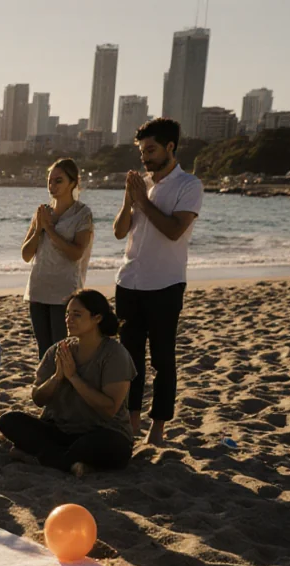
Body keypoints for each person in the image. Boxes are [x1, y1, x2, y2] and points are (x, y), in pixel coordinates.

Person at [111, 118, 203, 445]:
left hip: (165, 283)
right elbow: (121, 231)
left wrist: (144, 201)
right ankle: (132, 421)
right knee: (129, 358)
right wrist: (129, 199)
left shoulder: (189, 185)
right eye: (141, 151)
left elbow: (174, 230)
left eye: (150, 150)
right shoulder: (140, 185)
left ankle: (158, 427)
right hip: (129, 281)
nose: (145, 158)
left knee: (163, 358)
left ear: (170, 148)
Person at [0, 290, 136, 476]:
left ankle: (44, 458)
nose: (68, 319)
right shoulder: (58, 350)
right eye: (67, 314)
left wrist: (74, 378)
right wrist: (57, 377)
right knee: (8, 421)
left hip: (101, 432)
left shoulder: (114, 354)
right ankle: (70, 462)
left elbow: (109, 408)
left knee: (104, 446)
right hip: (60, 431)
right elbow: (38, 399)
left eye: (77, 315)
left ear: (97, 318)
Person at [21, 158, 95, 359]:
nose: (52, 185)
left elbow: (76, 253)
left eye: (59, 180)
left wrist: (50, 230)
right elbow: (26, 255)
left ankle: (65, 389)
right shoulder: (43, 211)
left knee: (62, 348)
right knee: (44, 350)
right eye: (50, 180)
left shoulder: (82, 214)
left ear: (73, 183)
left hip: (65, 291)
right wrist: (38, 229)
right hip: (38, 289)